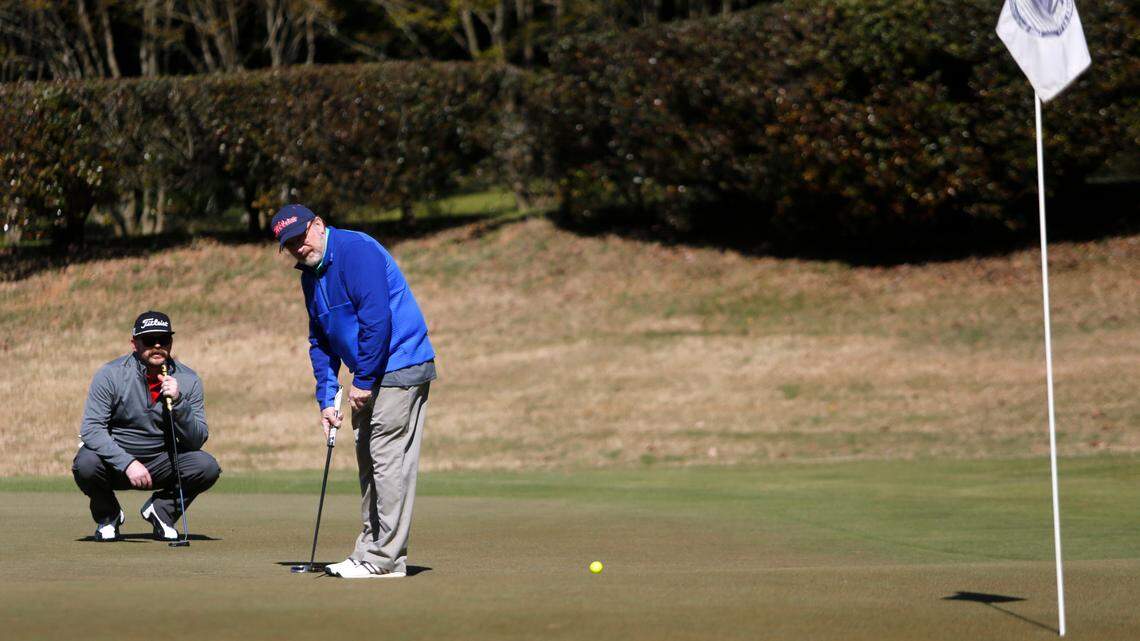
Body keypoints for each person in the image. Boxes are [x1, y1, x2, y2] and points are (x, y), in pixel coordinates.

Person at [272, 204, 436, 579]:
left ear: (318, 225)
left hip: (400, 365)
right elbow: (321, 341)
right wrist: (327, 400)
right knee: (369, 462)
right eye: (289, 244)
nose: (298, 247)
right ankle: (369, 549)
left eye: (302, 236)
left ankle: (386, 560)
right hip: (372, 371)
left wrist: (362, 380)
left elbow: (377, 318)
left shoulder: (356, 250)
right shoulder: (311, 276)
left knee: (386, 459)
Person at [72, 311, 221, 541]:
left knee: (207, 466)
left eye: (164, 339)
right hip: (117, 463)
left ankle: (162, 511)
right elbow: (92, 429)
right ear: (134, 343)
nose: (158, 345)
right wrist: (128, 463)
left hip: (162, 462)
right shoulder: (110, 375)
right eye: (150, 340)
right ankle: (108, 515)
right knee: (86, 463)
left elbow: (196, 439)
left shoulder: (188, 380)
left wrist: (179, 402)